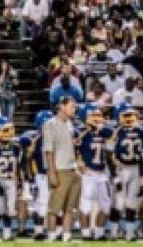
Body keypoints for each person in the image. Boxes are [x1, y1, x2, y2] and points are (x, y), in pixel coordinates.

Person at [42, 96, 81, 241]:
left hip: (72, 168)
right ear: (62, 106)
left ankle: (66, 235)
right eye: (71, 106)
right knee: (54, 207)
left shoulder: (70, 124)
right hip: (60, 168)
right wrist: (52, 172)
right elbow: (48, 150)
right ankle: (51, 236)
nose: (74, 109)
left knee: (70, 207)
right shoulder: (50, 124)